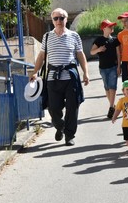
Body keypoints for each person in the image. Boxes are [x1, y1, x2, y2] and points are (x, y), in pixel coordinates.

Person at [30, 8, 89, 146]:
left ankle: (69, 135)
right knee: (53, 108)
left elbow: (80, 55)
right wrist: (34, 71)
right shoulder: (47, 37)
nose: (59, 21)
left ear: (66, 19)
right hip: (52, 77)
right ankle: (60, 126)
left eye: (61, 18)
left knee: (72, 107)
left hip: (70, 76)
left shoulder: (74, 36)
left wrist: (85, 73)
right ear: (52, 20)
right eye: (56, 18)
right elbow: (41, 56)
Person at [91, 19, 121, 119]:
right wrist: (99, 49)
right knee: (107, 88)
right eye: (110, 26)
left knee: (113, 87)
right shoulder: (98, 40)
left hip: (113, 66)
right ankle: (113, 106)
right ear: (104, 28)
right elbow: (92, 52)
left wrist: (119, 66)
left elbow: (118, 53)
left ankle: (111, 107)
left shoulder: (115, 40)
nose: (112, 27)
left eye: (112, 26)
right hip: (103, 68)